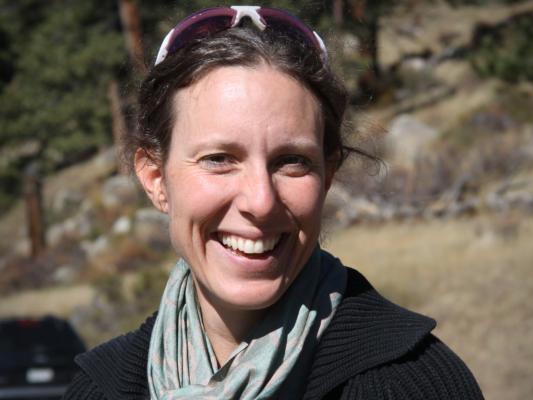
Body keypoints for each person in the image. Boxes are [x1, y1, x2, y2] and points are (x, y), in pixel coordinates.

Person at [63, 5, 483, 400]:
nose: (261, 202)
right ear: (155, 178)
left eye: (292, 161)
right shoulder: (103, 388)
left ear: (328, 174)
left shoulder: (410, 382)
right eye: (219, 159)